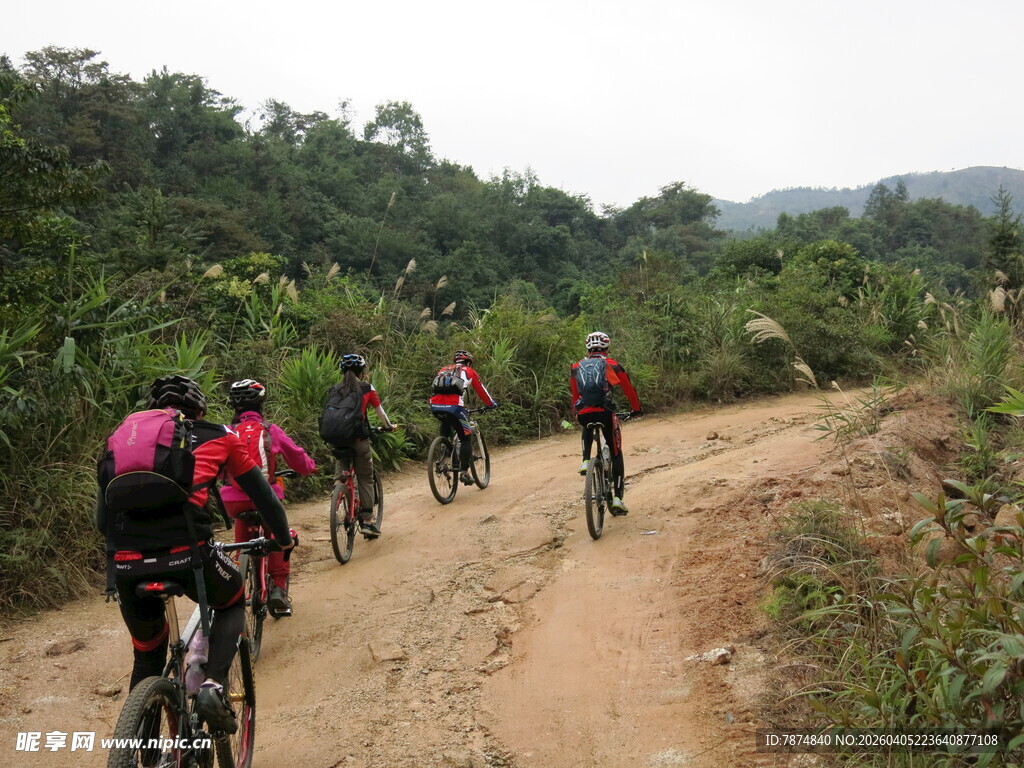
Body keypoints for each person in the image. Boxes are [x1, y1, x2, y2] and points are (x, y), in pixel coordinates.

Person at [96, 375, 294, 734]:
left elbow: (101, 520)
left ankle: (141, 743)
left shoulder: (120, 439)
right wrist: (281, 540)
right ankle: (213, 685)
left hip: (125, 563)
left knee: (148, 653)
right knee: (233, 600)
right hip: (188, 554)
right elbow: (266, 499)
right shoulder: (219, 435)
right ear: (200, 409)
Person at [219, 378, 315, 615]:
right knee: (279, 537)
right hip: (266, 497)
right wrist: (309, 468)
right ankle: (278, 591)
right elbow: (297, 457)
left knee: (242, 541)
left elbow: (218, 468)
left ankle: (239, 583)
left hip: (233, 501)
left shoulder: (225, 432)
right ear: (261, 405)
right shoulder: (271, 430)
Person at [570, 332, 642, 515]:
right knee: (616, 452)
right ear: (607, 348)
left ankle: (586, 460)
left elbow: (575, 396)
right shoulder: (612, 365)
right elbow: (629, 390)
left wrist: (577, 411)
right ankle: (618, 498)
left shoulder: (577, 367)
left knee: (586, 420)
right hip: (605, 413)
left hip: (584, 414)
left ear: (588, 349)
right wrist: (636, 409)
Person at [326, 354, 396, 538]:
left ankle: (338, 489)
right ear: (362, 372)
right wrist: (388, 427)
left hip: (336, 440)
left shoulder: (333, 390)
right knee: (365, 478)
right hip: (358, 440)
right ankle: (367, 520)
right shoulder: (366, 388)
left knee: (342, 466)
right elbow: (380, 412)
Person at [429, 350, 498, 485]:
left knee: (446, 423)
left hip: (435, 406)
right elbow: (481, 391)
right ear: (468, 362)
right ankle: (464, 472)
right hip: (456, 407)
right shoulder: (469, 371)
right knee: (465, 437)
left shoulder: (443, 370)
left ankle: (444, 453)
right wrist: (491, 404)